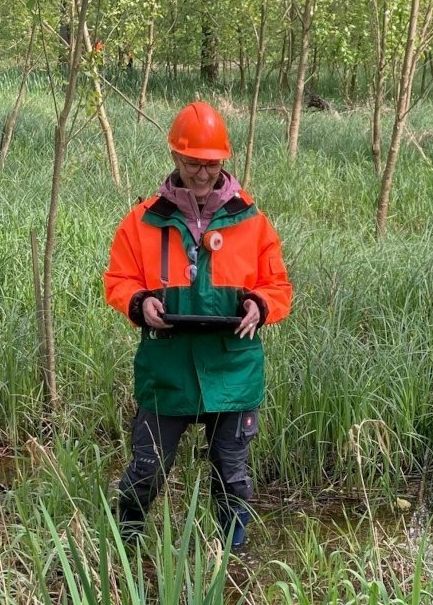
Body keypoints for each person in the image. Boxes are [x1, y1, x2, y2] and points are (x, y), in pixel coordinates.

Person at [103, 102, 293, 551]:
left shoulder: (253, 221)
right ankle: (122, 549)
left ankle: (233, 561)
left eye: (210, 164)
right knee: (146, 469)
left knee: (232, 475)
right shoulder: (142, 220)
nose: (202, 173)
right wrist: (139, 301)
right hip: (166, 368)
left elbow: (279, 286)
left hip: (233, 368)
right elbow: (118, 279)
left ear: (223, 161)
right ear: (174, 157)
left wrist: (260, 306)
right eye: (192, 162)